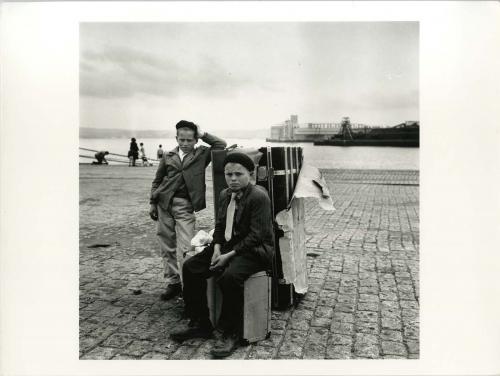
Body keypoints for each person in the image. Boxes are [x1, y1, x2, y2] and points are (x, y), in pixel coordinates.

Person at [169, 152, 275, 359]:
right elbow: (219, 225)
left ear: (250, 174)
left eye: (238, 174)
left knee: (229, 277)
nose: (233, 179)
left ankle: (231, 331)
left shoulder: (259, 197)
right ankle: (201, 323)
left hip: (255, 250)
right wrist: (217, 247)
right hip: (228, 245)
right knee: (191, 267)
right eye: (229, 174)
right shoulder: (225, 194)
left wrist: (228, 256)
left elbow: (256, 236)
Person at [149, 120, 227, 301]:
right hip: (163, 204)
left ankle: (188, 286)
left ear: (195, 140)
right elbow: (157, 181)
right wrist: (153, 202)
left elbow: (220, 144)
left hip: (185, 205)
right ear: (176, 138)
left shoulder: (202, 154)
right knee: (166, 245)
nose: (185, 144)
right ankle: (173, 282)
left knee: (187, 246)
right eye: (181, 139)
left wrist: (202, 134)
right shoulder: (168, 156)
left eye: (189, 140)